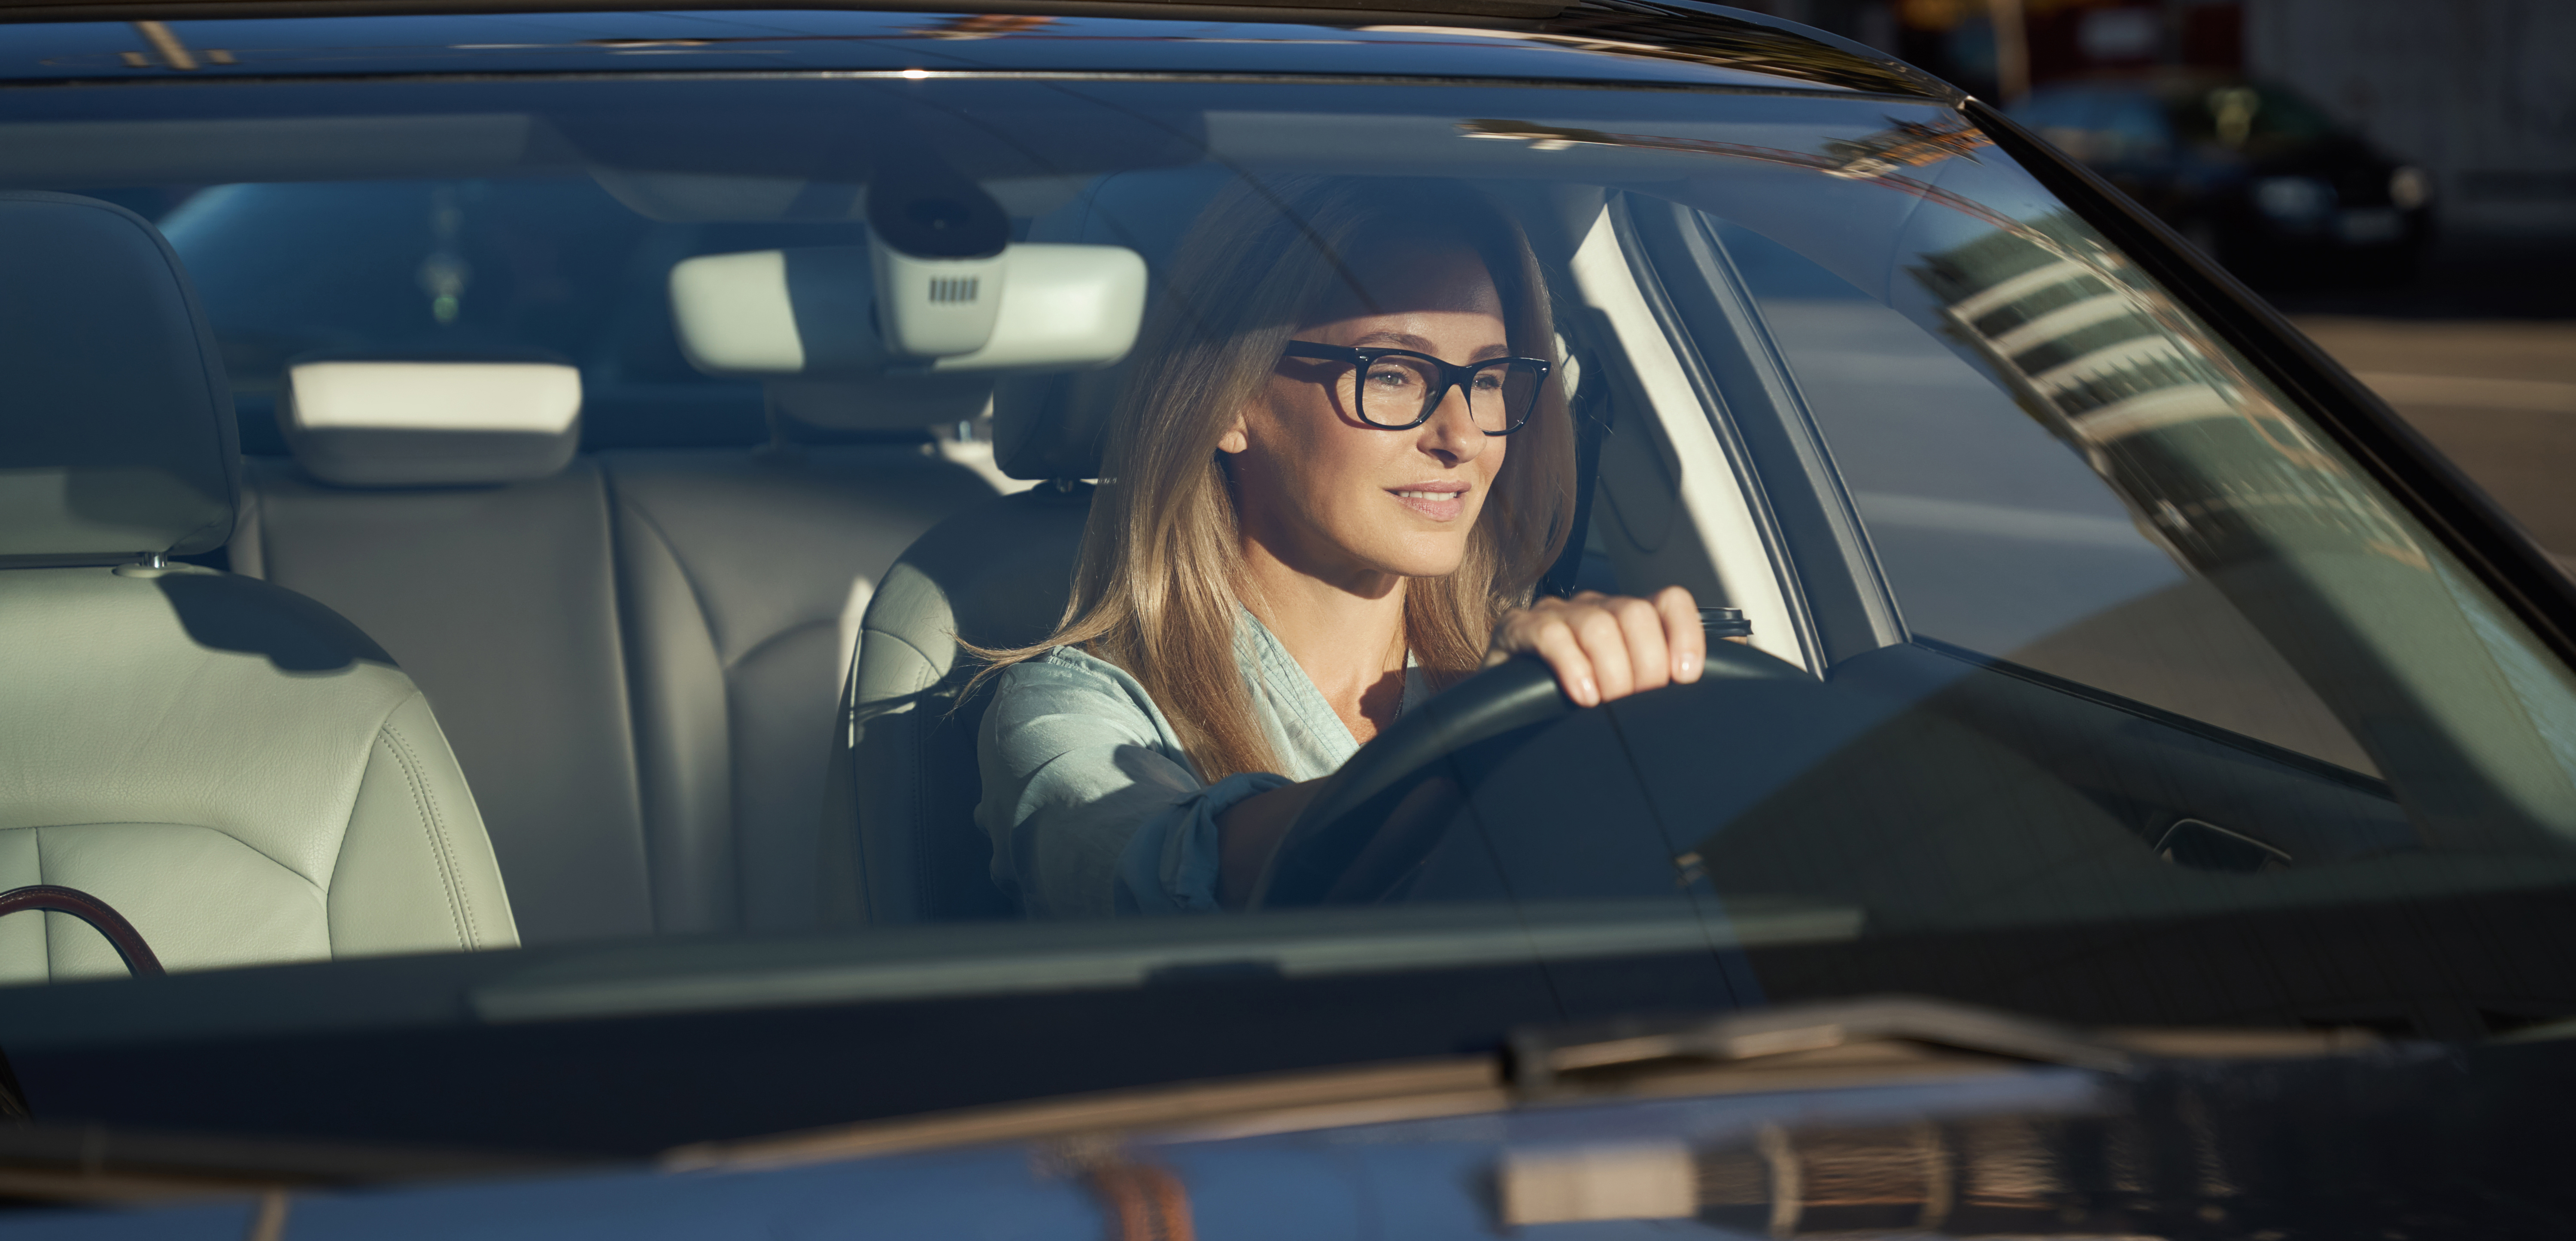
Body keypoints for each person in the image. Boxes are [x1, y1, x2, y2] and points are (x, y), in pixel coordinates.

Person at [972, 176, 1704, 918]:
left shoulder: (1532, 678)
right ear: (1230, 403)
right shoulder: (1066, 711)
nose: (1462, 436)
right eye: (1392, 373)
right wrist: (1468, 757)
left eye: (1487, 379)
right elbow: (1163, 879)